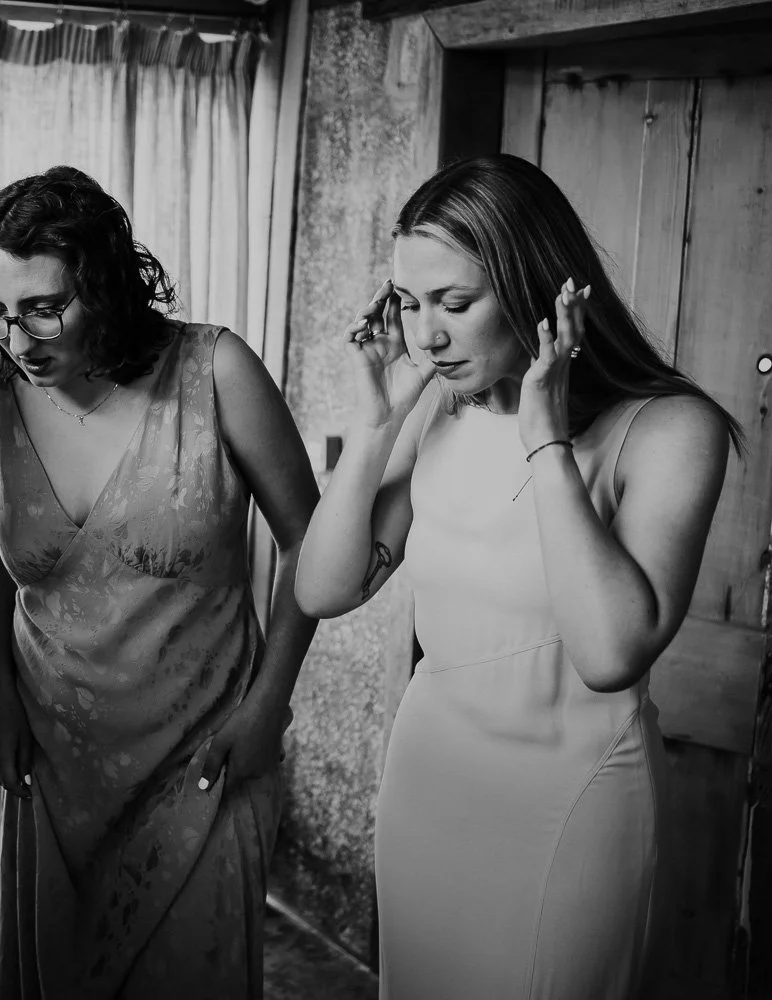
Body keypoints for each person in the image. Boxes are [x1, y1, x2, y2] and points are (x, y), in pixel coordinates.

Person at [293, 154, 743, 1000]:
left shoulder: (672, 429)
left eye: (455, 304)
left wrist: (546, 439)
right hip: (431, 783)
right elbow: (323, 589)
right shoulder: (431, 408)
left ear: (536, 289)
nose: (426, 335)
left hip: (569, 801)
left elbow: (612, 654)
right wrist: (375, 422)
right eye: (410, 302)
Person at [0, 165, 320, 998]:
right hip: (52, 757)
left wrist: (270, 707)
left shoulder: (216, 369)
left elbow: (310, 542)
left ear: (109, 285)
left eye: (46, 307)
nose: (20, 339)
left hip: (203, 753)